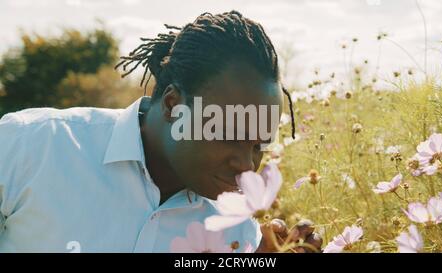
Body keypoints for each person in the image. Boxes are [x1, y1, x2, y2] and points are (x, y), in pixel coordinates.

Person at [0, 10, 321, 252]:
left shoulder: (240, 236)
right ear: (172, 105)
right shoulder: (29, 146)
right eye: (229, 134)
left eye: (259, 144)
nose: (247, 165)